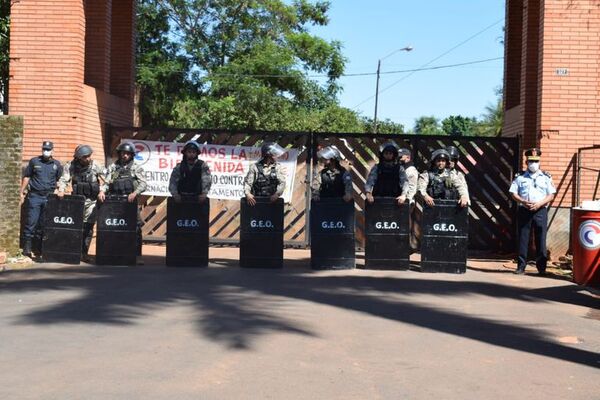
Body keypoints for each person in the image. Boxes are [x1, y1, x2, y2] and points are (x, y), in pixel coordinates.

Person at [509, 147, 556, 275]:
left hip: (540, 210)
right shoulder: (520, 176)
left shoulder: (546, 177)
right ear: (526, 162)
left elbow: (551, 195)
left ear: (539, 162)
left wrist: (539, 203)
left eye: (536, 161)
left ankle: (541, 268)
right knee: (523, 239)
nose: (533, 164)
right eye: (531, 161)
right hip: (524, 210)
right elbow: (513, 193)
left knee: (541, 239)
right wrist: (523, 201)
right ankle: (521, 266)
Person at [99, 142, 148, 258]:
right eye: (123, 153)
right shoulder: (113, 167)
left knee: (135, 227)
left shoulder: (136, 167)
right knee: (115, 226)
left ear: (131, 155)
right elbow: (107, 182)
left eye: (127, 153)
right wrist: (102, 191)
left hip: (130, 201)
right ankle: (115, 252)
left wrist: (135, 193)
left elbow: (144, 183)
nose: (125, 155)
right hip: (115, 201)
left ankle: (137, 255)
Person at [57, 144, 105, 262]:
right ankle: (74, 252)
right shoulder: (71, 166)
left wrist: (102, 191)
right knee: (76, 226)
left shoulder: (95, 165)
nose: (88, 158)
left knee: (88, 226)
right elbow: (64, 179)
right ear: (78, 157)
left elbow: (107, 178)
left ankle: (85, 253)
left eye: (89, 156)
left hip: (92, 200)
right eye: (84, 157)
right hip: (77, 201)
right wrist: (61, 190)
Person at [20, 141, 63, 257]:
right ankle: (27, 249)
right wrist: (21, 192)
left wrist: (60, 190)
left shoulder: (57, 164)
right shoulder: (34, 161)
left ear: (52, 150)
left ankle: (39, 249)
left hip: (49, 197)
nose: (46, 151)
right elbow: (27, 176)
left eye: (48, 149)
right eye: (44, 149)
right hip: (35, 196)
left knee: (43, 224)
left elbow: (60, 180)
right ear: (42, 149)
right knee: (31, 222)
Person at [243, 142, 287, 206]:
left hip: (273, 202)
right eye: (274, 154)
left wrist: (277, 194)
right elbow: (247, 183)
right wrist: (248, 194)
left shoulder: (277, 167)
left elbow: (282, 182)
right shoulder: (254, 167)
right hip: (257, 201)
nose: (276, 156)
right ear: (268, 155)